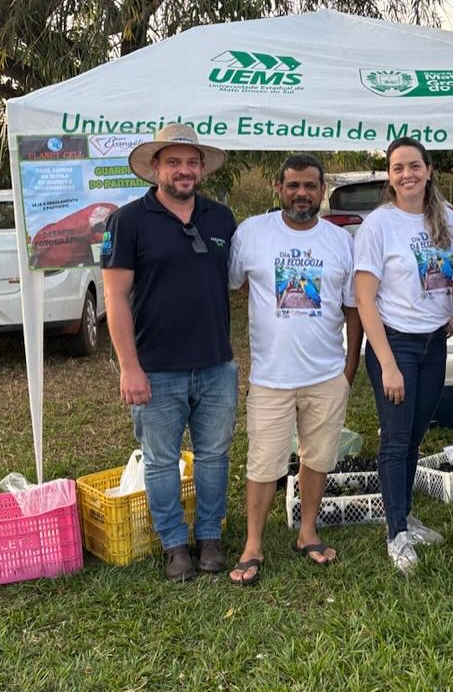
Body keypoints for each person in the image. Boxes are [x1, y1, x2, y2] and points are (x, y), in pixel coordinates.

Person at [101, 123, 238, 582]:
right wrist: (129, 367)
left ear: (202, 169)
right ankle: (175, 545)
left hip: (217, 364)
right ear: (155, 168)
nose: (184, 170)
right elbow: (116, 298)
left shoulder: (221, 218)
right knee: (161, 461)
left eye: (192, 162)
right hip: (155, 369)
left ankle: (210, 538)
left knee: (214, 455)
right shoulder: (127, 221)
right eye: (174, 162)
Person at [227, 154, 362, 586]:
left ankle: (308, 532)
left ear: (322, 191)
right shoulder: (251, 234)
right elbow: (239, 282)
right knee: (263, 462)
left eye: (309, 186)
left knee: (318, 457)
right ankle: (253, 545)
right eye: (293, 186)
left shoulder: (340, 241)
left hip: (326, 373)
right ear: (278, 189)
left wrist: (349, 367)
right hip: (271, 377)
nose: (301, 193)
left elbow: (352, 307)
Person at [354, 139, 453, 574]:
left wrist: (450, 313)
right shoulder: (378, 225)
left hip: (434, 343)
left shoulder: (449, 217)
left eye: (414, 166)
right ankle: (395, 532)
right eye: (397, 168)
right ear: (389, 176)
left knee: (415, 435)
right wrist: (388, 363)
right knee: (396, 439)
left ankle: (405, 513)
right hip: (394, 344)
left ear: (428, 170)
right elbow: (363, 298)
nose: (406, 174)